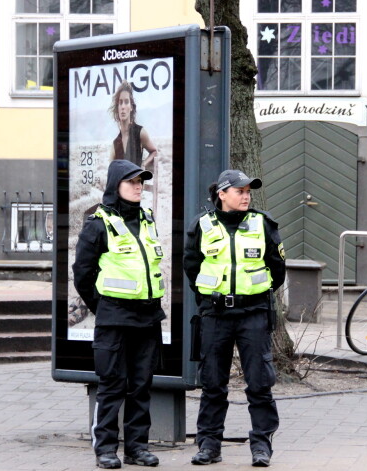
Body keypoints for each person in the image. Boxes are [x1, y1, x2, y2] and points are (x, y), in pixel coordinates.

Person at [183, 169, 286, 467]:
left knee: (259, 383)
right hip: (215, 314)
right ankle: (209, 445)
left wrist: (251, 295)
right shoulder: (201, 225)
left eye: (248, 191)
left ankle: (262, 446)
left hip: (253, 313)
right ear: (222, 194)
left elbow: (277, 268)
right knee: (213, 383)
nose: (245, 196)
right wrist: (209, 299)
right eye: (239, 191)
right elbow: (192, 267)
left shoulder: (262, 223)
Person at [72, 160, 165, 469]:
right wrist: (105, 308)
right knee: (112, 385)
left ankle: (137, 448)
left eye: (141, 181)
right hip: (115, 318)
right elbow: (83, 274)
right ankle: (106, 450)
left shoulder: (147, 219)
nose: (138, 186)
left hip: (148, 317)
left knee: (141, 385)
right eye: (132, 181)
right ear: (115, 186)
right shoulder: (98, 223)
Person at [109, 80, 158, 169]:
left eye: (126, 102)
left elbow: (154, 151)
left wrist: (143, 164)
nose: (123, 106)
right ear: (117, 108)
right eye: (120, 102)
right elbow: (111, 174)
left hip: (137, 182)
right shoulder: (115, 144)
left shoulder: (140, 132)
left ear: (131, 107)